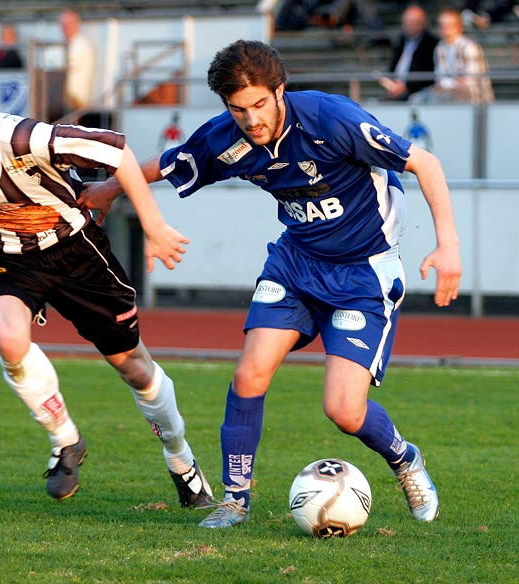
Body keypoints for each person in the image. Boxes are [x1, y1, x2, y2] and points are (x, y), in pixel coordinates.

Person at [80, 40, 461, 528]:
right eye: (238, 109)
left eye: (259, 104)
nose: (251, 119)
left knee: (344, 410)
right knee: (249, 374)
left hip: (363, 273)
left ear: (280, 90)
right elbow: (171, 162)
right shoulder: (228, 138)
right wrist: (110, 188)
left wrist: (447, 246)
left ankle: (405, 459)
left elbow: (425, 163)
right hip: (295, 264)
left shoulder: (331, 119)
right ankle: (235, 500)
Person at [0, 72, 212, 508]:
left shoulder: (26, 138)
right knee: (8, 337)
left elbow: (117, 151)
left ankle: (182, 461)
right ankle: (66, 440)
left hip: (77, 252)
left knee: (134, 367)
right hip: (4, 256)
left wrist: (154, 226)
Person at [413, 7, 494, 104]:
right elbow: (440, 79)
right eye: (443, 25)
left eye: (450, 25)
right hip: (449, 94)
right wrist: (453, 83)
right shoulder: (440, 48)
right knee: (417, 99)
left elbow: (471, 81)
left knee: (459, 92)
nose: (446, 28)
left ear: (459, 26)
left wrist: (450, 84)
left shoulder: (469, 47)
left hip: (476, 100)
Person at [379, 4, 438, 101]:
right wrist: (391, 83)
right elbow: (393, 66)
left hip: (415, 90)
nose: (410, 25)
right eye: (407, 22)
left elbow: (427, 73)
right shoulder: (401, 41)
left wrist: (406, 87)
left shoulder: (431, 44)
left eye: (414, 22)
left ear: (423, 23)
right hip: (395, 87)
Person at [57, 8, 96, 121]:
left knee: (70, 134)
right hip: (62, 101)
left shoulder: (82, 44)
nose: (66, 27)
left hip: (74, 101)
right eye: (63, 24)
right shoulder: (64, 44)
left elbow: (63, 67)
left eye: (69, 23)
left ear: (77, 24)